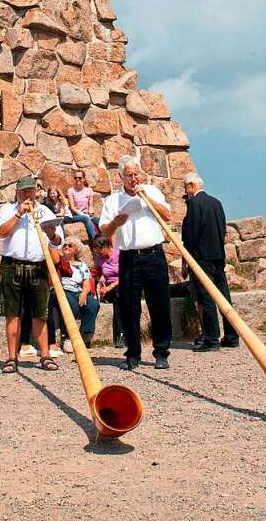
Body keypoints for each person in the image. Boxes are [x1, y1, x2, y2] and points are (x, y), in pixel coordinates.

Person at [100, 155, 173, 371]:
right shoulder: (113, 200)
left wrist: (147, 199)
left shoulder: (151, 191)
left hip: (154, 255)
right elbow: (105, 231)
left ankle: (161, 352)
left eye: (136, 174)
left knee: (159, 304)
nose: (134, 178)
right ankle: (133, 354)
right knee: (129, 307)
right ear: (121, 176)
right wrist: (116, 222)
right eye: (130, 175)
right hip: (130, 257)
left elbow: (168, 215)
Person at [0, 175, 64, 374]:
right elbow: (1, 233)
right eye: (23, 191)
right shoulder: (7, 210)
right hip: (11, 266)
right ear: (17, 192)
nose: (27, 194)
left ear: (36, 192)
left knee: (40, 313)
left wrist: (52, 234)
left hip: (38, 266)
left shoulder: (45, 211)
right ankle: (11, 357)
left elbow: (58, 242)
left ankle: (45, 355)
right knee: (12, 313)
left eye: (30, 190)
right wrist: (18, 214)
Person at [181, 172, 239, 351]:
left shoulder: (194, 204)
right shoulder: (216, 203)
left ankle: (211, 338)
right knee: (224, 298)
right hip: (218, 256)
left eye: (186, 188)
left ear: (191, 186)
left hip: (201, 259)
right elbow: (223, 229)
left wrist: (187, 260)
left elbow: (190, 236)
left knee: (206, 299)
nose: (186, 192)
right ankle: (232, 335)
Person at [52, 237, 100, 348]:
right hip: (62, 290)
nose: (66, 247)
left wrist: (84, 294)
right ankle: (67, 337)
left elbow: (87, 283)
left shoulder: (82, 265)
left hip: (77, 291)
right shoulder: (59, 261)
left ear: (76, 250)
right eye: (65, 245)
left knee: (93, 304)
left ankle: (85, 334)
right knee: (72, 305)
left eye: (70, 245)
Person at [92, 235, 124, 347]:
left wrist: (110, 287)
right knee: (118, 296)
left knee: (119, 294)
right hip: (111, 291)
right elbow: (96, 274)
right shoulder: (100, 260)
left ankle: (120, 334)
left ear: (106, 246)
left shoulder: (119, 254)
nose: (98, 254)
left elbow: (125, 275)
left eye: (99, 250)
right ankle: (120, 334)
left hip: (121, 285)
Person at [66, 169, 99, 241]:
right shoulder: (70, 191)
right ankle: (95, 241)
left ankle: (106, 241)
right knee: (86, 219)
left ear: (84, 179)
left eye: (80, 178)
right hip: (75, 216)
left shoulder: (89, 190)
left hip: (87, 214)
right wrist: (83, 215)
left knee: (98, 220)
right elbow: (72, 207)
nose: (77, 179)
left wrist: (90, 214)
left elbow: (90, 205)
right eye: (75, 178)